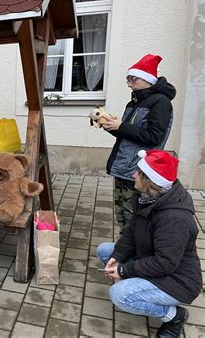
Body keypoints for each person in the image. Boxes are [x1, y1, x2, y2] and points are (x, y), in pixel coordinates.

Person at [96, 150, 202, 338]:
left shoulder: (175, 219)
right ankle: (139, 286)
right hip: (150, 258)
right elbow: (130, 233)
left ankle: (174, 316)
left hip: (177, 280)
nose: (133, 175)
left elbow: (165, 263)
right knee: (105, 251)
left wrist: (124, 271)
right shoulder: (145, 197)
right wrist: (117, 258)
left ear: (150, 181)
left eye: (138, 172)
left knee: (120, 295)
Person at [103, 54, 176, 232]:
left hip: (138, 171)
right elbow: (128, 135)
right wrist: (110, 126)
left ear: (147, 79)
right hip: (123, 168)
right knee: (122, 217)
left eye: (132, 79)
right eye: (128, 79)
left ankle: (134, 256)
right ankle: (124, 252)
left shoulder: (161, 102)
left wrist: (121, 126)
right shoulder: (135, 102)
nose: (129, 83)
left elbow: (154, 137)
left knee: (134, 219)